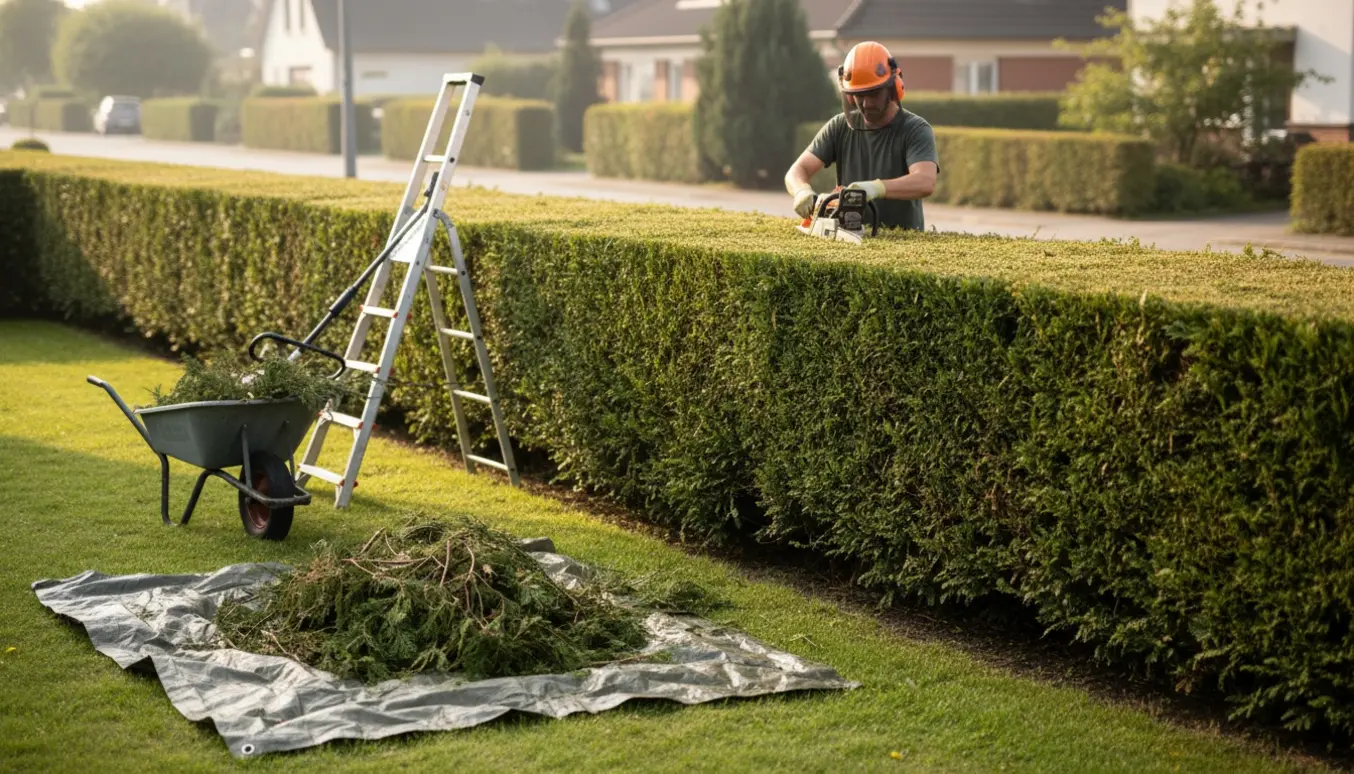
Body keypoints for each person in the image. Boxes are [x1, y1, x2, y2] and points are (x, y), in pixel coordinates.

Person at [785, 41, 940, 232]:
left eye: (873, 94)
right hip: (849, 236)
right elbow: (798, 169)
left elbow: (925, 181)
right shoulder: (839, 126)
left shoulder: (915, 129)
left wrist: (876, 188)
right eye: (859, 95)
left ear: (892, 88)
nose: (866, 104)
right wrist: (801, 191)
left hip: (902, 239)